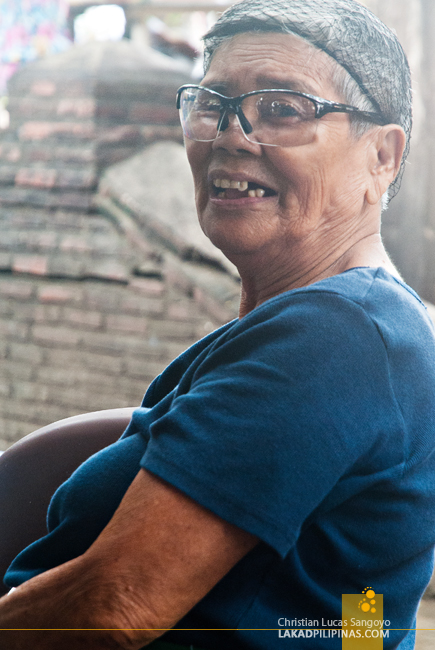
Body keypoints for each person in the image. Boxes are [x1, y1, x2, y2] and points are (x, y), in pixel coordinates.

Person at [1, 0, 435, 648]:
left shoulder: (337, 336)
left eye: (283, 108)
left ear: (382, 155)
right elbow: (352, 624)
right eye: (211, 104)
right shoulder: (347, 327)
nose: (231, 135)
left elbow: (112, 606)